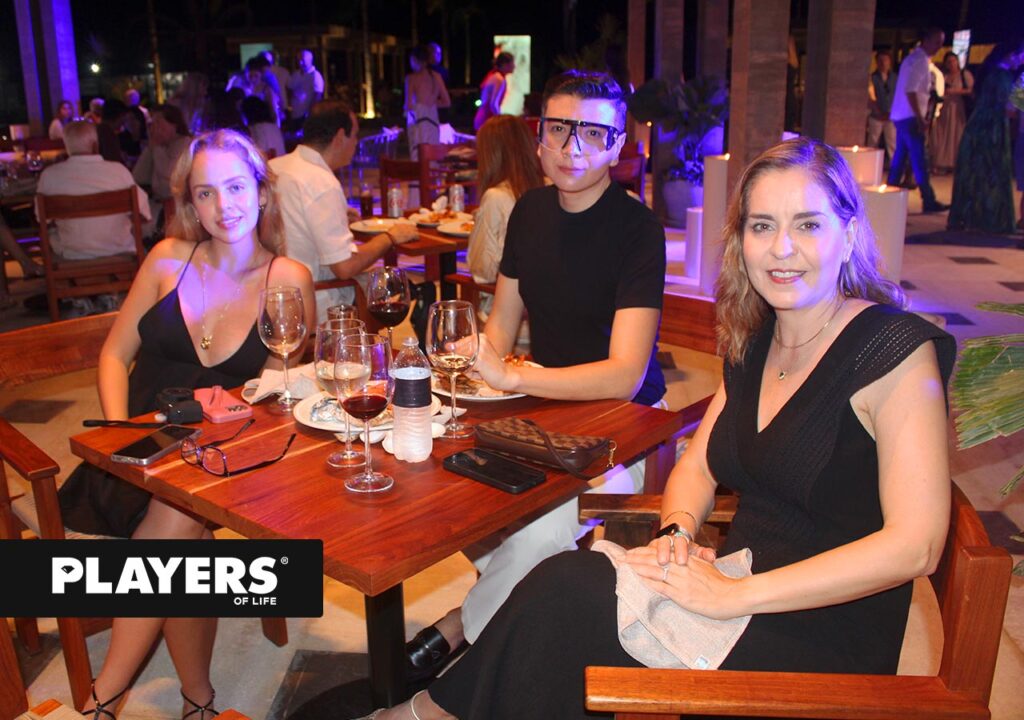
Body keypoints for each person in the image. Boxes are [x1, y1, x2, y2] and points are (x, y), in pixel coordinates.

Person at [367, 135, 956, 720]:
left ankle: (421, 715)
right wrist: (677, 531)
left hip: (818, 634)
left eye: (808, 225)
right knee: (564, 583)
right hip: (736, 582)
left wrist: (734, 594)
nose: (782, 248)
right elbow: (697, 467)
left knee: (569, 612)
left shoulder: (894, 350)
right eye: (762, 226)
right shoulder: (758, 342)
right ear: (741, 241)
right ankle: (430, 712)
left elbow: (917, 545)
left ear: (848, 234)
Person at [405, 70, 666, 683]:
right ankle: (513, 614)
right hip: (541, 408)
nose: (573, 148)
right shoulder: (529, 211)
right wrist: (470, 359)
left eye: (593, 133)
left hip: (624, 428)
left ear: (618, 146)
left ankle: (463, 636)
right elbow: (501, 327)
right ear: (540, 137)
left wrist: (516, 376)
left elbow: (626, 377)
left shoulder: (637, 230)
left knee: (537, 532)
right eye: (559, 130)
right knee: (439, 487)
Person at [67, 129, 314, 719]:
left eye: (236, 187)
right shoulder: (167, 260)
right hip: (134, 447)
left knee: (181, 508)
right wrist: (122, 438)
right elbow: (113, 355)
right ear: (190, 203)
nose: (224, 206)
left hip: (226, 455)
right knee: (185, 535)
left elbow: (276, 395)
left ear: (261, 191)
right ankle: (197, 700)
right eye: (206, 193)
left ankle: (102, 700)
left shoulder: (288, 278)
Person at [270, 100, 418, 322]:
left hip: (273, 299)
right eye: (354, 136)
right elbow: (345, 268)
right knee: (402, 287)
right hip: (316, 303)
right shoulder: (321, 181)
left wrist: (337, 216)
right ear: (340, 137)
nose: (356, 143)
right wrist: (389, 237)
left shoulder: (274, 167)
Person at [36, 121, 151, 261]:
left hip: (72, 255)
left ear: (66, 146)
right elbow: (143, 214)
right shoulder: (119, 172)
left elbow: (41, 217)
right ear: (95, 145)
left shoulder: (49, 176)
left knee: (53, 232)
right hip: (120, 251)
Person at [466, 115, 544, 318]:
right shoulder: (547, 187)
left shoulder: (496, 197)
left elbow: (482, 272)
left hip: (505, 317)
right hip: (544, 311)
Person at [947, 39, 1024, 235]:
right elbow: (1010, 109)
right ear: (1011, 54)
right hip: (992, 130)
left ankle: (972, 217)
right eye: (1021, 54)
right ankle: (990, 219)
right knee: (991, 175)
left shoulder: (990, 72)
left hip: (979, 127)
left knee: (976, 174)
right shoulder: (1003, 76)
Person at [886, 28, 948, 212]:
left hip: (902, 115)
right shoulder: (920, 61)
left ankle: (889, 194)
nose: (939, 47)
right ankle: (928, 199)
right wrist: (920, 118)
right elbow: (911, 91)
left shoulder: (912, 59)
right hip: (910, 116)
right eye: (937, 42)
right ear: (926, 40)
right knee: (919, 158)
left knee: (901, 156)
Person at [133, 104, 192, 203]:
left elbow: (169, 173)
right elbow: (139, 176)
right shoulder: (161, 146)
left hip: (176, 204)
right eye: (152, 123)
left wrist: (156, 146)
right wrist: (150, 148)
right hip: (157, 202)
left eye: (158, 122)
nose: (154, 128)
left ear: (174, 125)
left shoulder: (185, 144)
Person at [929, 52, 974, 173]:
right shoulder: (943, 76)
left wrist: (956, 91)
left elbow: (971, 90)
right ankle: (941, 163)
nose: (952, 64)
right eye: (949, 62)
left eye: (953, 61)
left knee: (956, 134)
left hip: (958, 108)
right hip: (945, 108)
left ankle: (956, 163)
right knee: (942, 135)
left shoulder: (964, 75)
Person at [405, 45, 451, 159]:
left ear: (415, 60)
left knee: (418, 155)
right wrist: (431, 104)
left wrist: (420, 105)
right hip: (432, 120)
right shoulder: (437, 77)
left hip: (418, 120)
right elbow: (446, 102)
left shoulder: (411, 78)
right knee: (432, 154)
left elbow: (408, 105)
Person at [866, 51, 897, 163]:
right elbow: (870, 96)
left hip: (891, 115)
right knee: (873, 142)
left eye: (885, 60)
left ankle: (894, 166)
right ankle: (869, 164)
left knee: (892, 142)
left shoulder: (895, 78)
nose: (883, 63)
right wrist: (877, 110)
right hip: (876, 114)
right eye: (880, 60)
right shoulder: (872, 78)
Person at [473, 52, 515, 131]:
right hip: (486, 119)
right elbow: (493, 104)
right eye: (512, 63)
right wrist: (501, 121)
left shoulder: (496, 76)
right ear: (505, 64)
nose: (514, 66)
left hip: (485, 118)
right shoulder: (499, 79)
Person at [287, 49, 325, 129]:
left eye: (303, 60)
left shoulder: (315, 76)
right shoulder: (296, 74)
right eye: (299, 60)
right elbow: (289, 88)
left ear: (310, 60)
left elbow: (318, 96)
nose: (300, 63)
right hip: (295, 113)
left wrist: (311, 112)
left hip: (306, 115)